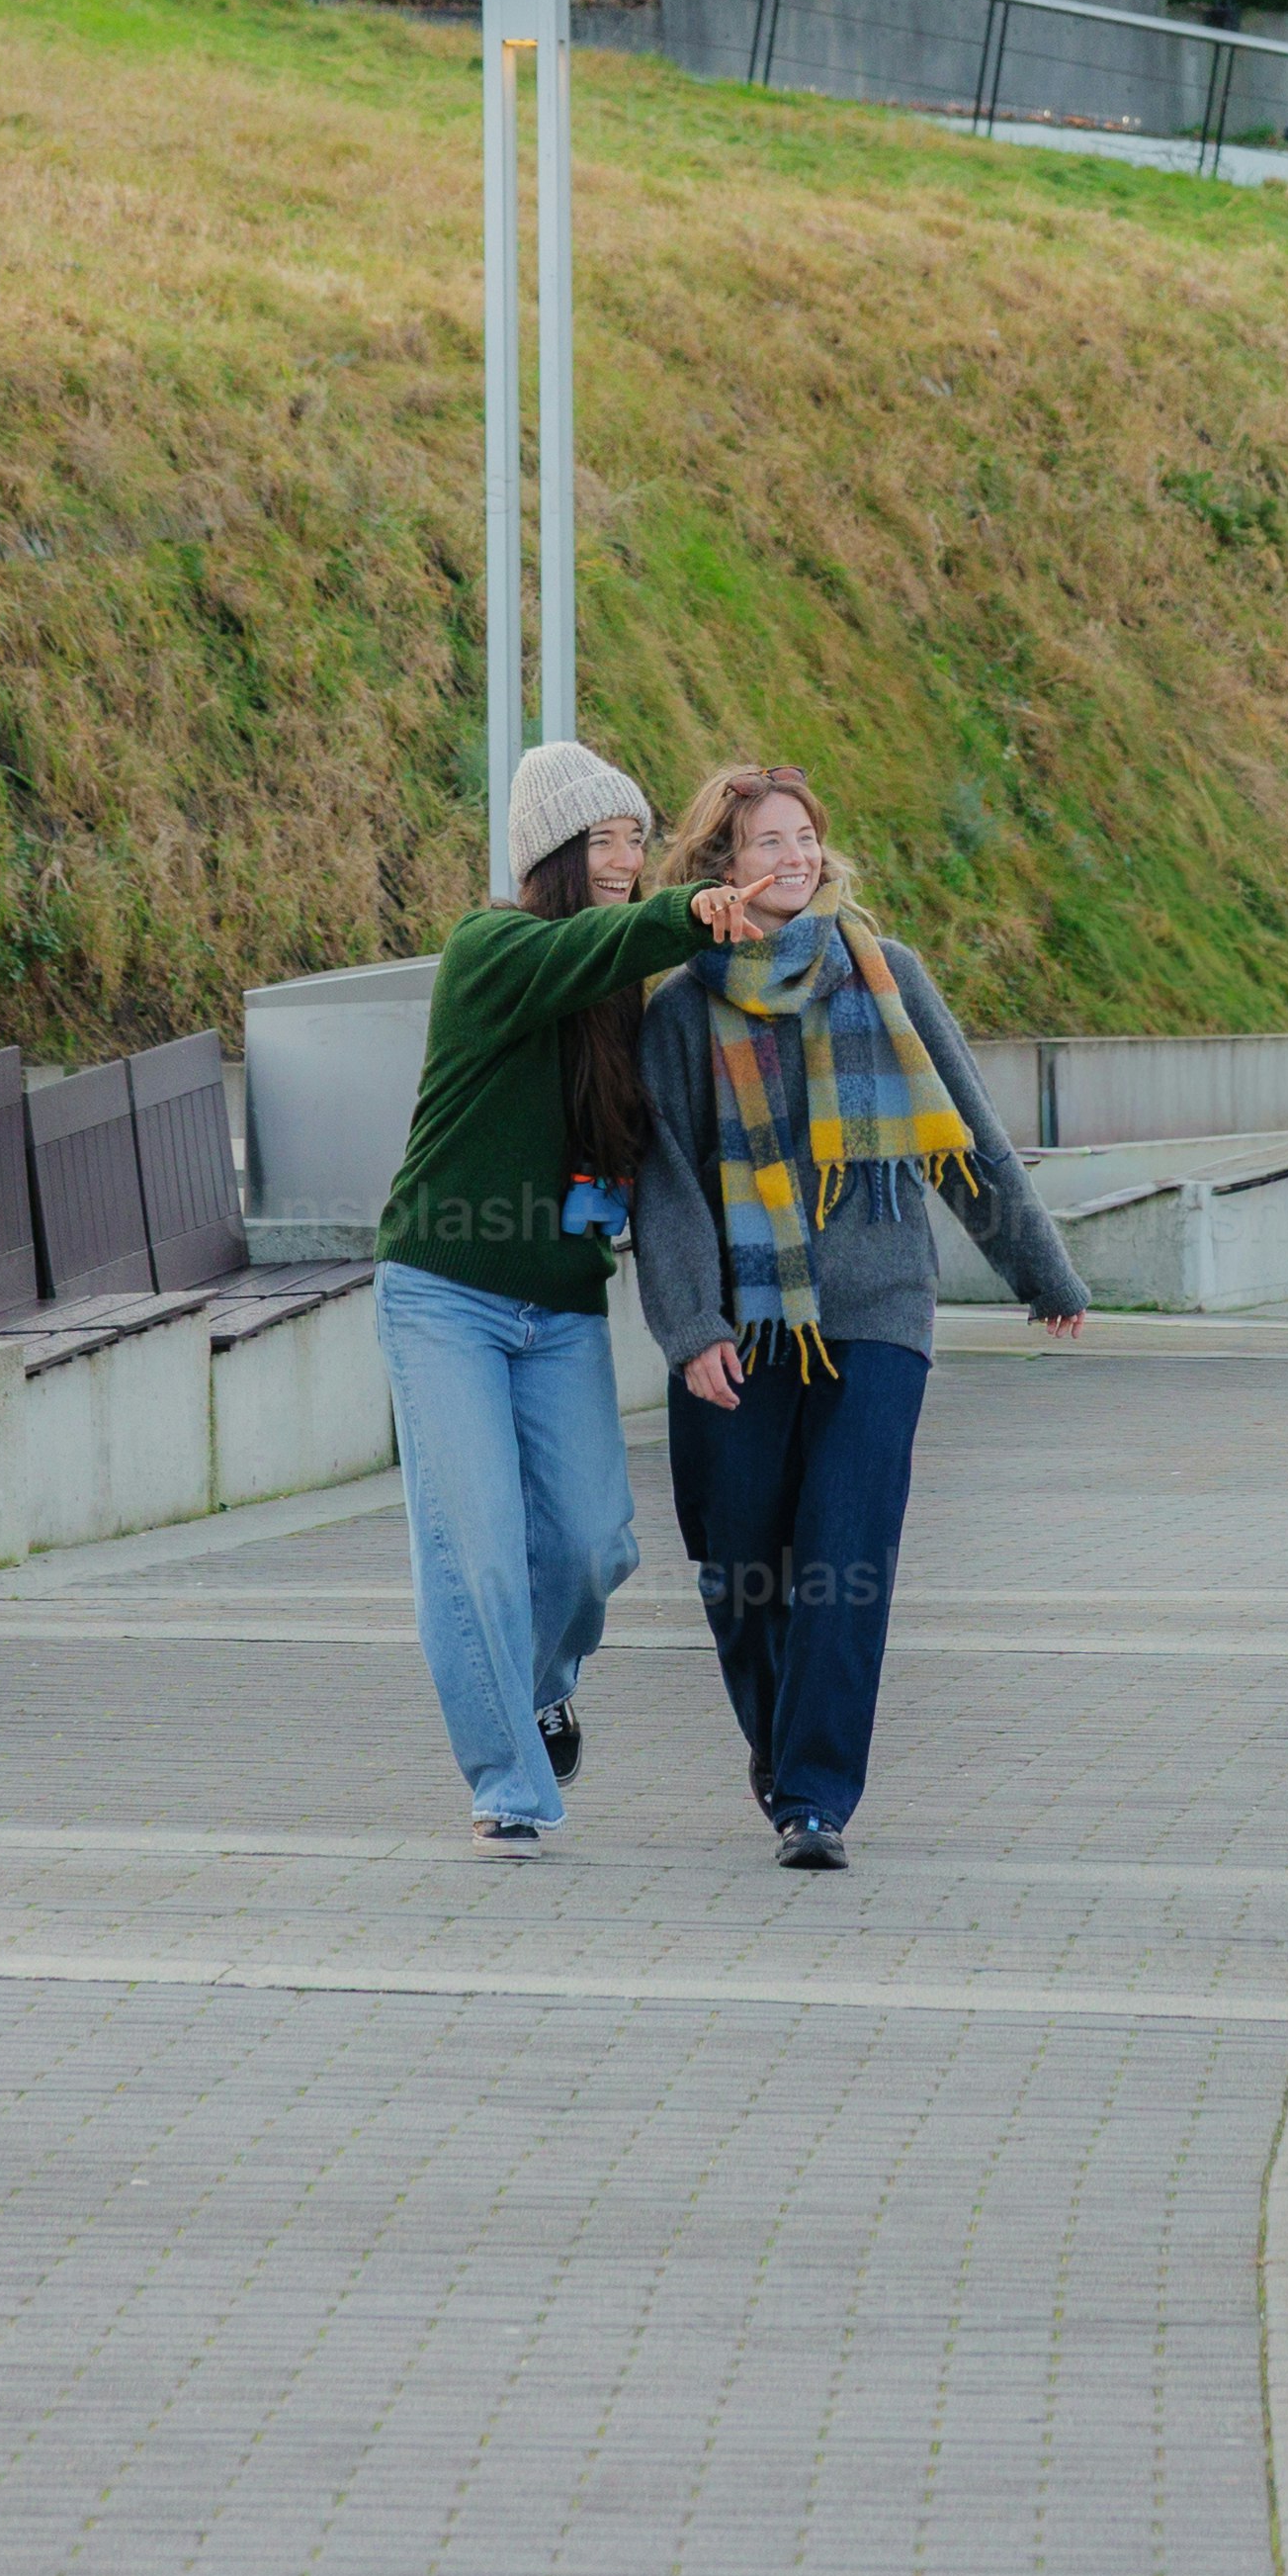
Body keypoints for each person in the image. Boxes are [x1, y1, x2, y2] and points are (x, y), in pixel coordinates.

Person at [583, 759, 1084, 1868]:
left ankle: (815, 1795)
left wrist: (1042, 1272)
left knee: (844, 1554)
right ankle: (783, 1751)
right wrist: (691, 1326)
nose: (794, 858)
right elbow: (663, 1180)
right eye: (768, 841)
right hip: (738, 1325)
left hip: (876, 1310)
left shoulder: (883, 972)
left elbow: (965, 1134)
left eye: (804, 838)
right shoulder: (681, 1008)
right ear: (721, 863)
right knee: (737, 1560)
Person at [375, 739, 759, 1849]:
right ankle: (511, 1784)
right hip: (443, 1294)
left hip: (558, 1310)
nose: (626, 858)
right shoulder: (491, 946)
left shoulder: (612, 1000)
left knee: (595, 1544)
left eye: (636, 839)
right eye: (606, 837)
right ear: (550, 849)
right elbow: (611, 937)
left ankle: (540, 1684)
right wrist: (690, 908)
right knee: (477, 1551)